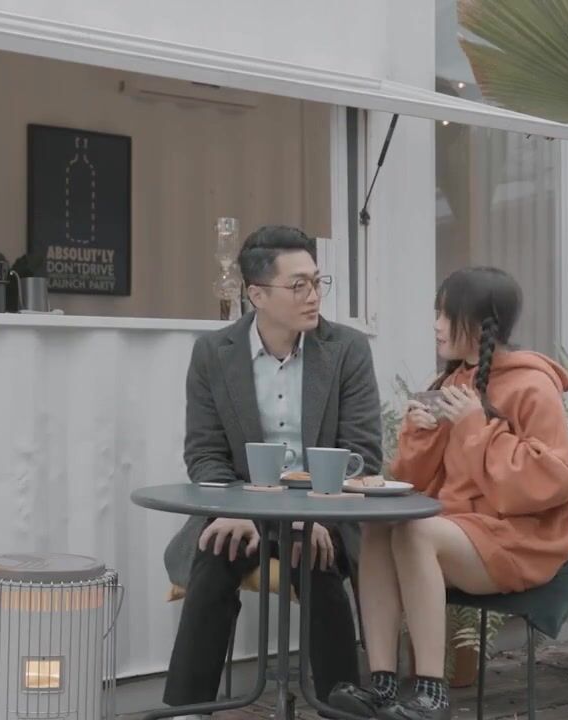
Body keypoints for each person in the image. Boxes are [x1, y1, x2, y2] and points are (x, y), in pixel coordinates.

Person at [327, 266, 568, 720]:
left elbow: (551, 482)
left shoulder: (532, 385)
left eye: (445, 315)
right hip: (461, 530)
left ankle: (432, 692)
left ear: (480, 323)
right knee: (378, 526)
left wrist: (476, 428)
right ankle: (382, 683)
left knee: (416, 533)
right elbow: (415, 483)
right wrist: (420, 433)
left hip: (523, 538)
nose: (436, 325)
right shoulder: (450, 385)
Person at [161, 225, 382, 714]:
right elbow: (205, 455)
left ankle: (341, 706)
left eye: (317, 282)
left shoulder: (347, 349)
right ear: (256, 294)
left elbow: (362, 455)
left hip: (322, 512)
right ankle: (185, 711)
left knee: (319, 562)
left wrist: (313, 515)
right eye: (298, 285)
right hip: (242, 508)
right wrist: (237, 508)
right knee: (214, 555)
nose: (313, 296)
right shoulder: (213, 353)